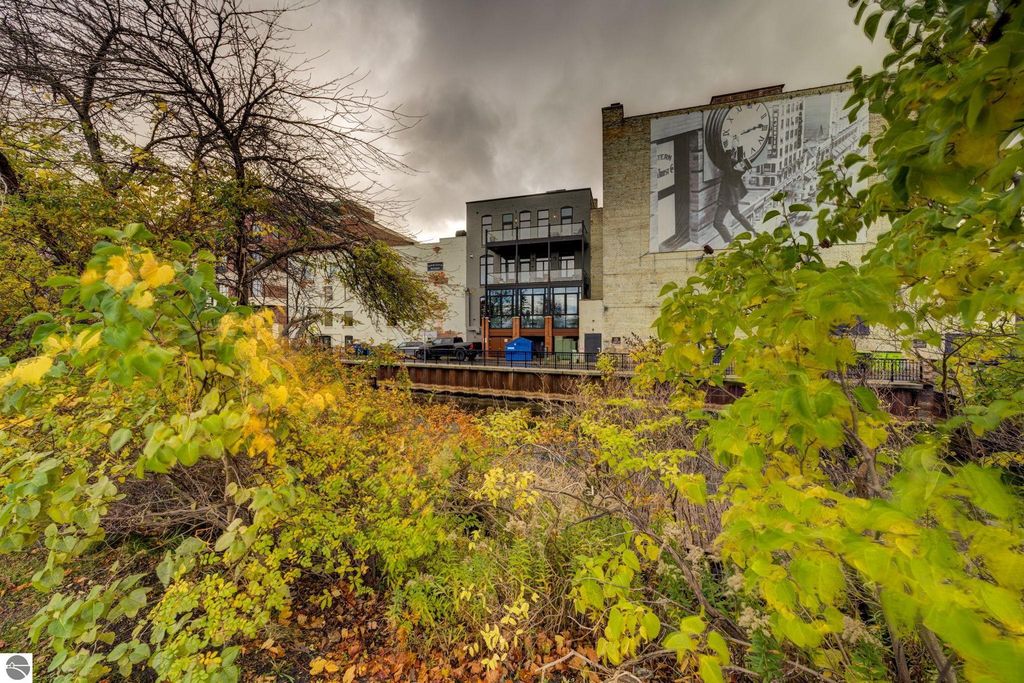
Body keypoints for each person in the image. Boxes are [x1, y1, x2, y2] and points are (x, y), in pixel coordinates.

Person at [712, 137, 754, 243]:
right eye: (739, 163)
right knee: (738, 216)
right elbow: (740, 160)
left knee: (717, 223)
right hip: (733, 199)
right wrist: (738, 146)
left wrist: (729, 150)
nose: (738, 164)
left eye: (740, 165)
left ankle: (729, 241)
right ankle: (753, 231)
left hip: (726, 201)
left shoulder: (733, 174)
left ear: (742, 170)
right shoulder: (738, 170)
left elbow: (727, 165)